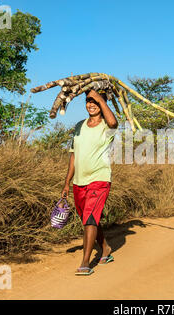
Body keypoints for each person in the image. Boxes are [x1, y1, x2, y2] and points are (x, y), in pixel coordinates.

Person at [61, 89, 118, 276]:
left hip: (99, 179)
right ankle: (106, 248)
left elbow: (113, 122)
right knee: (88, 218)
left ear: (102, 103)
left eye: (95, 101)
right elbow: (73, 156)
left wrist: (101, 98)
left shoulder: (106, 126)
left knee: (90, 218)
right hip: (79, 181)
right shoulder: (79, 126)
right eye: (88, 101)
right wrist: (67, 182)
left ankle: (85, 262)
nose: (91, 104)